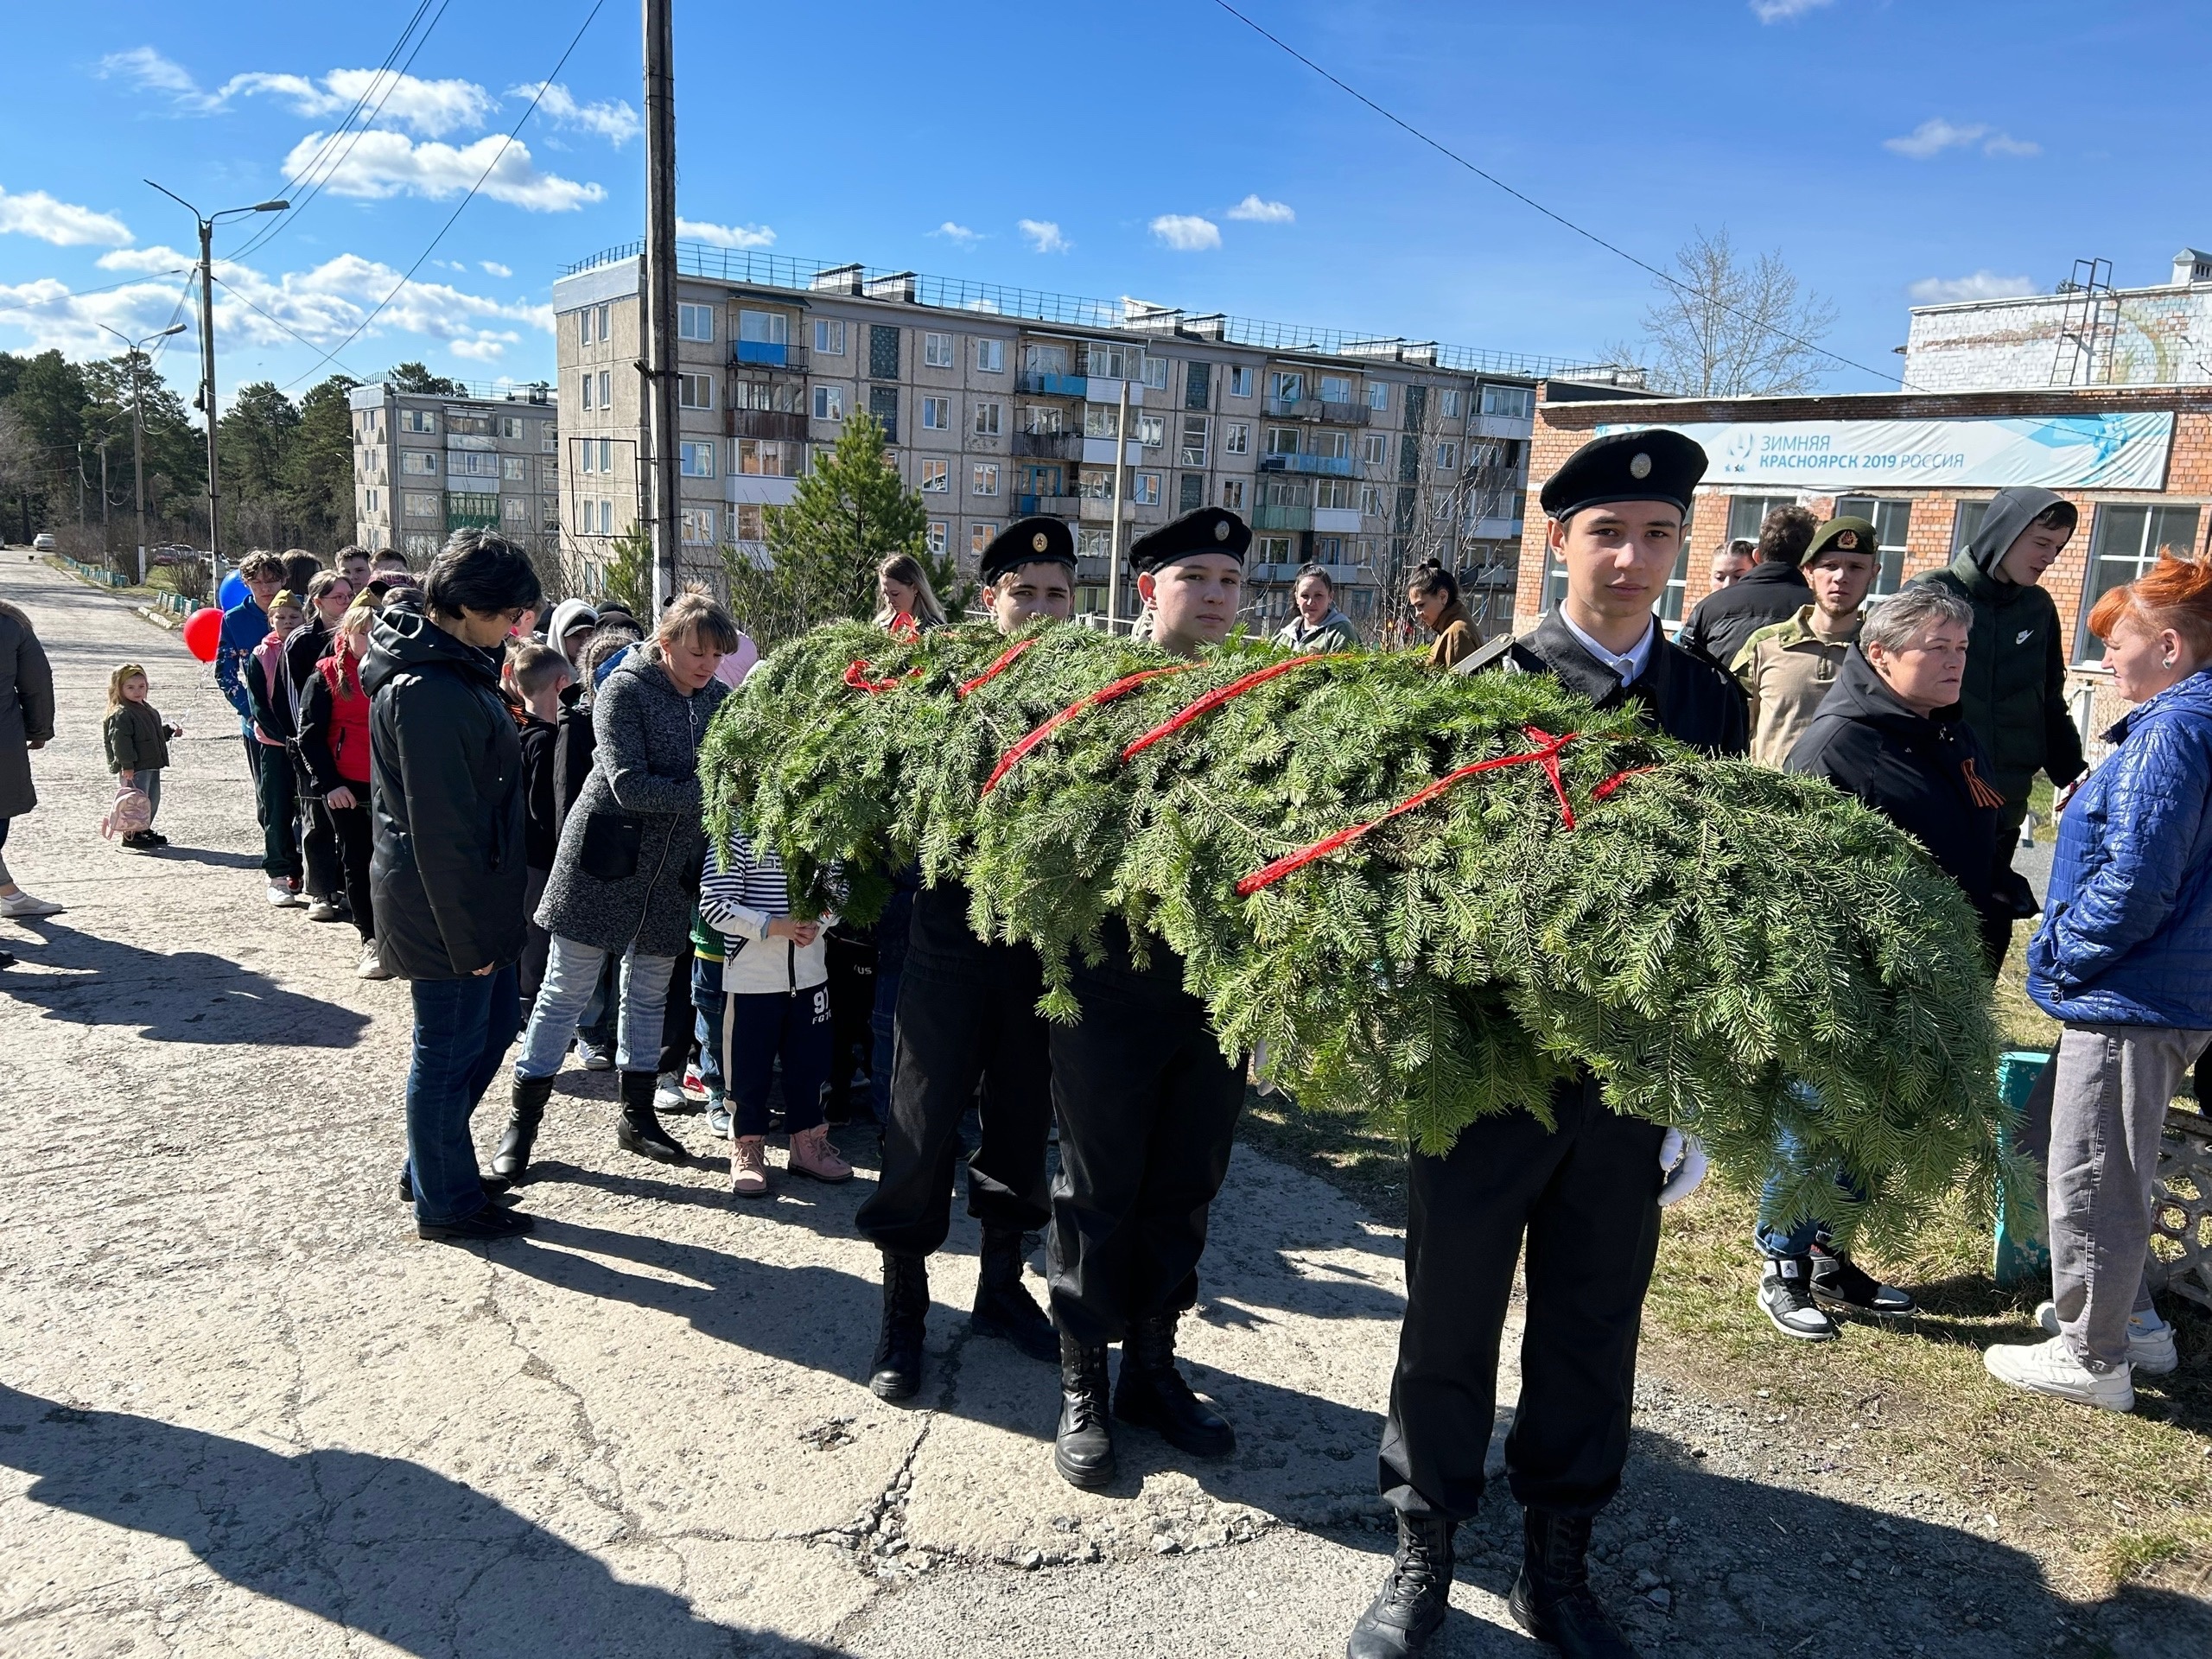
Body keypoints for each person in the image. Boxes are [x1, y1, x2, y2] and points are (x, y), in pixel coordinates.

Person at [1351, 431, 1743, 1659]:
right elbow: (1416, 879)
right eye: (1607, 534)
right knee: (1449, 1316)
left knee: (1592, 1323)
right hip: (1490, 1066)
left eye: (1658, 535)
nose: (1632, 560)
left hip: (1627, 1076)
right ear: (1559, 542)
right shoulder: (1489, 688)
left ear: (1680, 548)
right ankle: (1424, 1553)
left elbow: (1722, 903)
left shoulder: (1707, 702)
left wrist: (1693, 1090)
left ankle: (1556, 1564)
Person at [1047, 506, 1250, 1492]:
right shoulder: (1097, 699)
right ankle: (1083, 1379)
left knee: (1185, 1184)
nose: (1216, 597)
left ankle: (1153, 1369)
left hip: (1213, 990)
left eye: (1228, 581)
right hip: (1108, 985)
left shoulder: (1265, 704)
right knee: (1099, 1188)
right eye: (1195, 578)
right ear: (1146, 591)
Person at [1985, 554, 2212, 1411]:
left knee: (2093, 1171)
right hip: (2166, 988)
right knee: (2075, 1146)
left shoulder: (2172, 729)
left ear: (2166, 646)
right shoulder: (2193, 718)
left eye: (2115, 645)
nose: (2106, 662)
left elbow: (2138, 879)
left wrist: (2060, 957)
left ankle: (2091, 1356)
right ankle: (2135, 1323)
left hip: (2135, 992)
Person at [860, 518, 1076, 1402]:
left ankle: (998, 1288)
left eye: (1056, 593)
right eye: (1023, 591)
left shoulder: (1093, 693)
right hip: (948, 942)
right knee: (919, 1126)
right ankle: (901, 1312)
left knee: (1022, 1130)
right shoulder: (944, 684)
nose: (1039, 606)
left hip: (1039, 953)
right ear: (991, 600)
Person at [1762, 586, 2005, 1340]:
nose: (1954, 662)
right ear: (1880, 654)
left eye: (1961, 649)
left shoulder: (1945, 732)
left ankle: (1833, 1255)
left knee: (1886, 1119)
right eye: (1937, 647)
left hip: (1934, 974)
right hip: (1854, 976)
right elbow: (1798, 874)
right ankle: (1783, 1264)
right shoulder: (1838, 743)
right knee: (1821, 1115)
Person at [496, 591, 736, 1179]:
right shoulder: (623, 690)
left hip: (669, 868)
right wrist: (719, 799)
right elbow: (631, 785)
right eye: (695, 651)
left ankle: (636, 1117)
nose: (706, 664)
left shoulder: (719, 701)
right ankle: (520, 1128)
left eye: (715, 654)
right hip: (604, 856)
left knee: (649, 990)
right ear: (665, 643)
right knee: (566, 989)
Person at [362, 529, 543, 1243]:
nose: (516, 628)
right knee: (447, 1048)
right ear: (465, 606)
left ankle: (435, 1162)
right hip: (441, 906)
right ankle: (444, 1200)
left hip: (476, 893)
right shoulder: (425, 688)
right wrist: (467, 940)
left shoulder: (455, 663)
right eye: (507, 615)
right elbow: (437, 829)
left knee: (492, 1028)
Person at [1913, 486, 2088, 924]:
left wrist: (2074, 774)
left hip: (2004, 808)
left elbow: (2048, 699)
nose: (2050, 557)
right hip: (1938, 803)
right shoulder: (1932, 593)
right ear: (2004, 533)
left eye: (2059, 547)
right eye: (2042, 542)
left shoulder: (2038, 607)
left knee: (1989, 942)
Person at [697, 823, 853, 1196]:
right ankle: (748, 1146)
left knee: (810, 1065)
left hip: (811, 974)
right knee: (748, 1070)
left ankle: (808, 1144)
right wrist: (775, 926)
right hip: (753, 979)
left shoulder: (823, 823)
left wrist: (820, 920)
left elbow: (841, 892)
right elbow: (714, 904)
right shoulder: (736, 829)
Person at [1731, 517, 1880, 767]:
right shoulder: (1765, 645)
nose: (1841, 577)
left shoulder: (1883, 654)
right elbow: (1730, 728)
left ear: (1873, 574)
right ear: (1808, 571)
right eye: (1830, 565)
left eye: (1856, 567)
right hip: (1771, 801)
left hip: (1850, 804)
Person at [297, 601, 387, 980]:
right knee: (359, 859)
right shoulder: (324, 676)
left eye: (376, 631)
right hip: (346, 785)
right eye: (362, 631)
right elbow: (310, 739)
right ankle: (370, 938)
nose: (369, 639)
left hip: (390, 784)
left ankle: (400, 936)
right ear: (345, 634)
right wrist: (330, 785)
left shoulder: (395, 674)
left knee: (395, 863)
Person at [506, 642, 572, 1010]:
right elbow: (543, 808)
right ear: (561, 684)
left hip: (517, 849)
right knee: (536, 930)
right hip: (541, 854)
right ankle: (527, 1001)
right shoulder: (548, 740)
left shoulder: (516, 730)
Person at [1675, 504, 1818, 669]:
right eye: (1720, 577)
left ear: (1756, 556)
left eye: (1737, 575)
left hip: (1718, 695)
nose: (1727, 583)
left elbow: (1681, 670)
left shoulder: (1709, 607)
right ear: (1809, 564)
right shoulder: (1818, 611)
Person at [289, 571, 354, 921]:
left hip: (349, 748)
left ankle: (346, 886)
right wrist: (302, 746)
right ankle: (319, 891)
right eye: (337, 597)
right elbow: (293, 700)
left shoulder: (357, 635)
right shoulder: (302, 640)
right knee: (316, 822)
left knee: (350, 826)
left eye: (348, 595)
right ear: (318, 602)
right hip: (312, 744)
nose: (345, 602)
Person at [246, 591, 308, 908]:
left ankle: (312, 873)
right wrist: (284, 739)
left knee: (312, 811)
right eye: (280, 617)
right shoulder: (260, 654)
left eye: (293, 617)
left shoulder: (311, 647)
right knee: (278, 809)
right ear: (270, 620)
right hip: (276, 744)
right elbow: (259, 705)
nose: (287, 623)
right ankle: (279, 875)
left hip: (310, 741)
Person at [216, 549, 284, 839]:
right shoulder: (234, 620)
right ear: (246, 583)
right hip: (257, 724)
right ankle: (277, 852)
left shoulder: (299, 612)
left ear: (283, 580)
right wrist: (250, 709)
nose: (266, 588)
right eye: (257, 582)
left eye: (271, 581)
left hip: (300, 717)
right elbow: (225, 673)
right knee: (267, 792)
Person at [0, 597, 60, 919]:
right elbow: (36, 683)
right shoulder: (12, 623)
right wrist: (39, 729)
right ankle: (9, 895)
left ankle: (9, 894)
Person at [103, 664, 182, 853]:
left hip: (151, 763)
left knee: (151, 798)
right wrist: (126, 765)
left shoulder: (147, 709)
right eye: (130, 687)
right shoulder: (122, 714)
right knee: (134, 799)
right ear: (119, 689)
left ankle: (143, 827)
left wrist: (168, 732)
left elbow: (151, 735)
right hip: (136, 766)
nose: (137, 691)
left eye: (141, 686)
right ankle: (131, 833)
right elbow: (120, 742)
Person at [1407, 562, 1479, 671]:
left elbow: (1458, 685)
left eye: (1421, 605)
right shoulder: (1448, 628)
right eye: (1415, 607)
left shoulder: (1457, 633)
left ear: (1442, 597)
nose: (1417, 614)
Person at [1274, 563, 1362, 652]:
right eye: (1305, 596)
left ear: (1330, 597)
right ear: (1297, 598)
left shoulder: (1341, 633)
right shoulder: (1286, 636)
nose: (1310, 602)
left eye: (1318, 595)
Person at [874, 552, 947, 632]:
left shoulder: (935, 629)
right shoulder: (880, 625)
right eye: (885, 594)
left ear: (915, 588)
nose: (889, 600)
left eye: (895, 594)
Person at [545, 598, 600, 669]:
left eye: (591, 635)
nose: (586, 642)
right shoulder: (543, 676)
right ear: (560, 638)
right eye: (576, 635)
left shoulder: (609, 673)